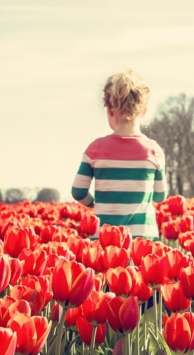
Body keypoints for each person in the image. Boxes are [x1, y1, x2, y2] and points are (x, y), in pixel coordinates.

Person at [71, 69, 167, 240]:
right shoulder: (153, 151)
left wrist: (95, 204)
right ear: (144, 110)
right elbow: (160, 196)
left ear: (109, 109)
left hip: (105, 239)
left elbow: (78, 191)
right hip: (143, 238)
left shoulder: (95, 149)